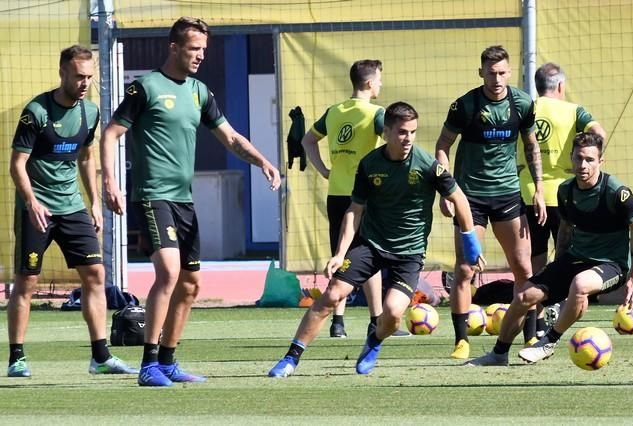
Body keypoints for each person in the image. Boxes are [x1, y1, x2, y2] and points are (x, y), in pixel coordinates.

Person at [101, 17, 281, 387]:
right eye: (194, 48)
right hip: (153, 196)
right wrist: (110, 181)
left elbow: (230, 137)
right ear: (174, 47)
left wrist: (262, 160)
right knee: (168, 273)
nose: (200, 56)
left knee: (190, 285)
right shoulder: (146, 88)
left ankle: (167, 361)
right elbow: (111, 133)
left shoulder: (200, 92)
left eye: (203, 50)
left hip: (184, 201)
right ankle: (148, 364)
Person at [268, 101, 483, 378]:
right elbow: (353, 212)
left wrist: (471, 245)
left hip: (409, 253)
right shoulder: (369, 165)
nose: (408, 139)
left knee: (393, 313)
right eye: (402, 132)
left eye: (413, 132)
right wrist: (339, 253)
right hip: (370, 245)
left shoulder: (429, 165)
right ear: (387, 133)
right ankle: (290, 359)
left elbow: (460, 200)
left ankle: (374, 341)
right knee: (332, 295)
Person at [7, 45, 138, 378]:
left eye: (90, 77)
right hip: (36, 208)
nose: (84, 83)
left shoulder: (90, 113)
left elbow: (85, 156)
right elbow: (17, 165)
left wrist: (94, 201)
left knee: (95, 275)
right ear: (62, 72)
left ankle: (101, 357)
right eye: (79, 76)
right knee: (27, 282)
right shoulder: (36, 111)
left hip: (72, 207)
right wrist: (32, 202)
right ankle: (17, 358)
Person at [466, 132, 633, 366]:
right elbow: (565, 228)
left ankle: (548, 341)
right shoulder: (566, 191)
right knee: (524, 295)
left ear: (600, 162)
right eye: (578, 158)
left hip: (612, 265)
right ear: (571, 158)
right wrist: (558, 267)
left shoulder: (615, 192)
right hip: (575, 259)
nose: (583, 165)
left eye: (590, 160)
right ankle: (498, 354)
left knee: (581, 284)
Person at [435, 45, 545, 360]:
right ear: (480, 72)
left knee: (524, 269)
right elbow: (442, 146)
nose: (496, 79)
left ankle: (530, 336)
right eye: (490, 72)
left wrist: (537, 189)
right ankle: (461, 341)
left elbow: (531, 145)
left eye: (502, 73)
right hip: (470, 198)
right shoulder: (465, 106)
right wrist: (446, 191)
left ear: (509, 73)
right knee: (466, 269)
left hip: (509, 195)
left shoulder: (523, 103)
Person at [302, 59, 407, 338]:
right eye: (380, 80)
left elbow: (307, 141)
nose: (381, 84)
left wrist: (325, 169)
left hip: (336, 193)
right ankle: (376, 320)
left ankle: (338, 323)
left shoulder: (334, 112)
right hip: (363, 196)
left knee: (342, 255)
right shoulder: (375, 113)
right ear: (370, 83)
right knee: (366, 257)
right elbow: (394, 142)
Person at [518, 62, 607, 334]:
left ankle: (534, 328)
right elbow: (599, 134)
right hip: (566, 196)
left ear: (537, 86)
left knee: (536, 265)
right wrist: (591, 163)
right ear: (560, 86)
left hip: (529, 194)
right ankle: (561, 319)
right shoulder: (573, 111)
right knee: (569, 263)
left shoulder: (525, 109)